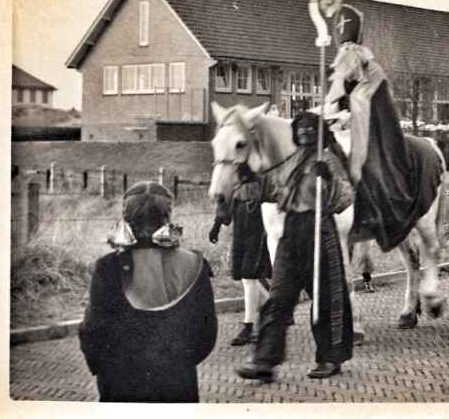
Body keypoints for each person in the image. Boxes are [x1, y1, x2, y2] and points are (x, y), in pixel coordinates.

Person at [235, 111, 355, 381]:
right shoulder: (289, 163)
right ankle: (264, 360)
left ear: (319, 132)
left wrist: (329, 182)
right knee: (278, 298)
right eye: (299, 128)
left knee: (326, 298)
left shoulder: (329, 162)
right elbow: (270, 189)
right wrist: (248, 178)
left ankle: (330, 358)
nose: (304, 133)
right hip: (292, 233)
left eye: (310, 128)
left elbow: (344, 199)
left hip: (320, 232)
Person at [79, 181, 217, 402]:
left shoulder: (107, 266)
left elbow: (92, 331)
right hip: (177, 382)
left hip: (120, 382)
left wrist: (104, 371)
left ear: (126, 215)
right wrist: (180, 363)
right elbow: (206, 333)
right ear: (168, 215)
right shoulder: (195, 263)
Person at [209, 162, 272, 346]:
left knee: (249, 275)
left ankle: (363, 288)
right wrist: (217, 224)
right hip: (242, 223)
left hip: (259, 224)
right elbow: (225, 197)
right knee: (247, 275)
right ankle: (275, 308)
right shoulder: (234, 167)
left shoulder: (260, 158)